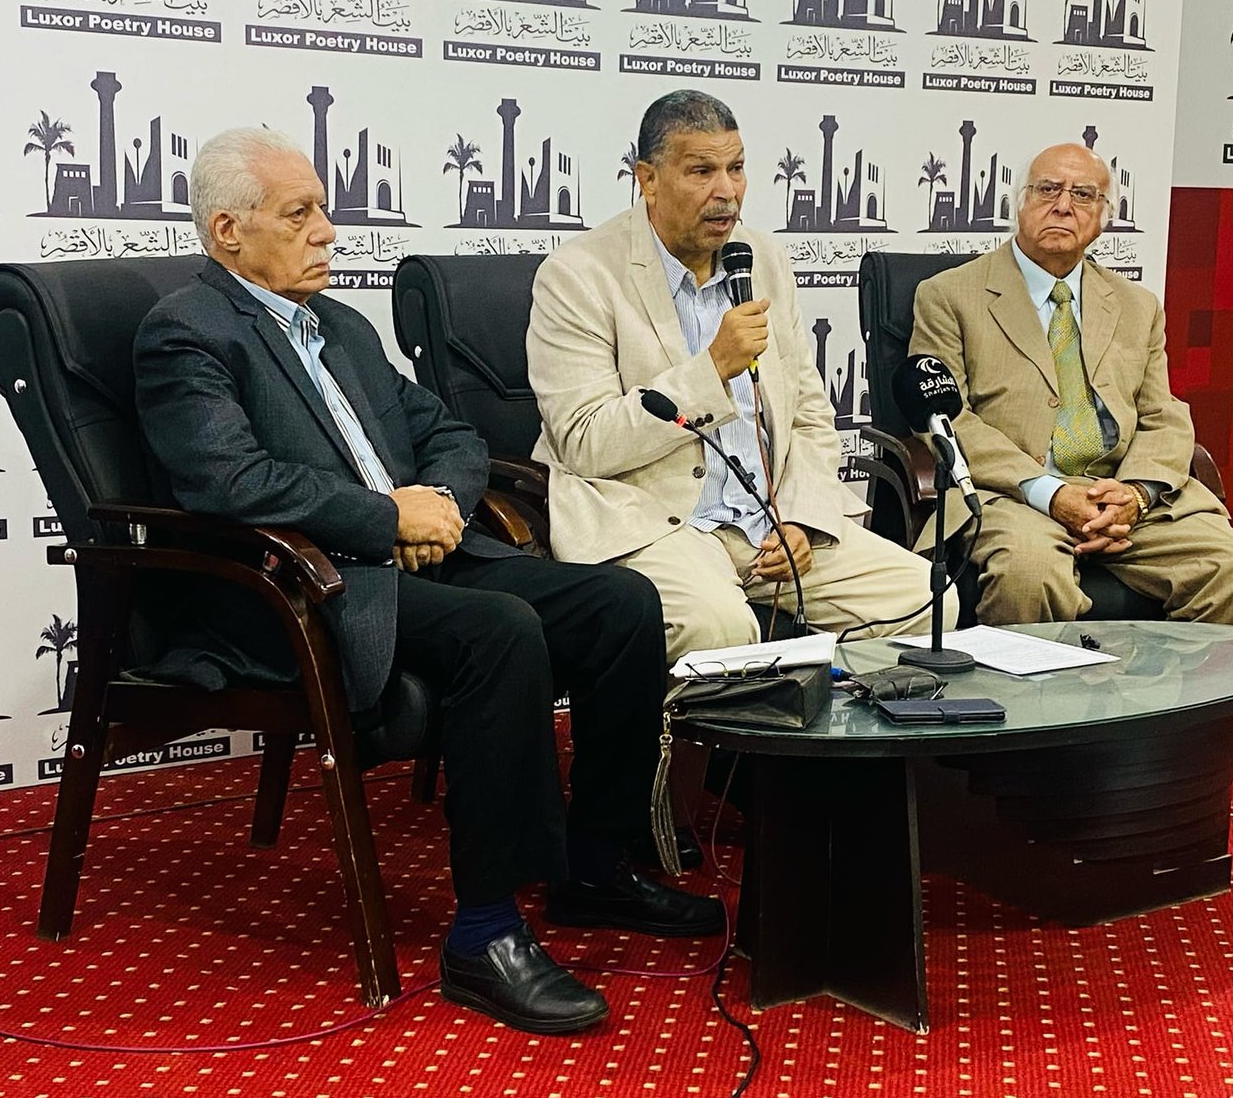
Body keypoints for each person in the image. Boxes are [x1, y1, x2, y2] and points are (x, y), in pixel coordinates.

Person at [133, 128, 721, 1037]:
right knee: (499, 630)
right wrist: (383, 519)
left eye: (324, 208)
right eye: (300, 214)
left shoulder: (341, 327)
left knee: (619, 603)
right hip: (304, 588)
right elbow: (228, 481)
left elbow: (447, 431)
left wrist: (436, 503)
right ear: (228, 232)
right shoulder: (187, 333)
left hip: (418, 557)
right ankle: (484, 934)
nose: (328, 230)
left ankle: (594, 865)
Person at [526, 90, 954, 663]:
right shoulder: (578, 275)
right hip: (654, 522)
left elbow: (809, 415)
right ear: (647, 179)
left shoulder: (762, 258)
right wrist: (712, 370)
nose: (726, 191)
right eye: (701, 171)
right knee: (717, 625)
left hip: (770, 523)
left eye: (736, 168)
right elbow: (585, 442)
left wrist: (802, 518)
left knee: (927, 600)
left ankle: (828, 721)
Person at [908, 142, 1233, 626]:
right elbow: (946, 419)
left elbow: (1163, 415)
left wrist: (1136, 495)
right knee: (1030, 574)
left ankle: (1170, 680)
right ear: (1019, 203)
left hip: (1120, 495)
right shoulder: (948, 296)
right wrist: (1050, 493)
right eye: (1048, 189)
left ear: (1104, 217)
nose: (1063, 205)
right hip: (1014, 494)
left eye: (1083, 195)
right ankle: (1036, 682)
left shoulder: (1136, 305)